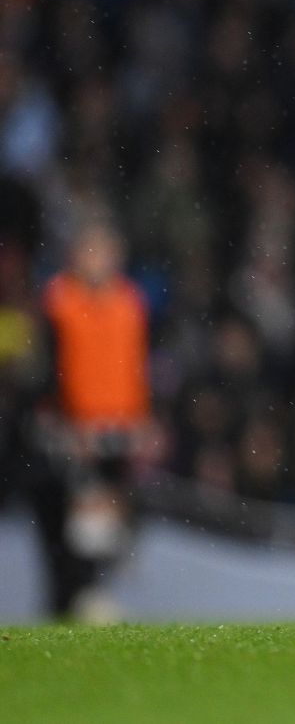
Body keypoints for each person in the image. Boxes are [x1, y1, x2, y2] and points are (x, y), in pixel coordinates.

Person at [32, 216, 156, 621]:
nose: (98, 260)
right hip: (73, 426)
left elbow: (136, 367)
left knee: (112, 512)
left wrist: (144, 418)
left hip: (118, 425)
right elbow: (49, 369)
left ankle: (89, 589)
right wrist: (63, 421)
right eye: (91, 251)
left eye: (105, 252)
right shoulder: (59, 302)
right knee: (78, 510)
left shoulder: (129, 303)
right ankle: (77, 593)